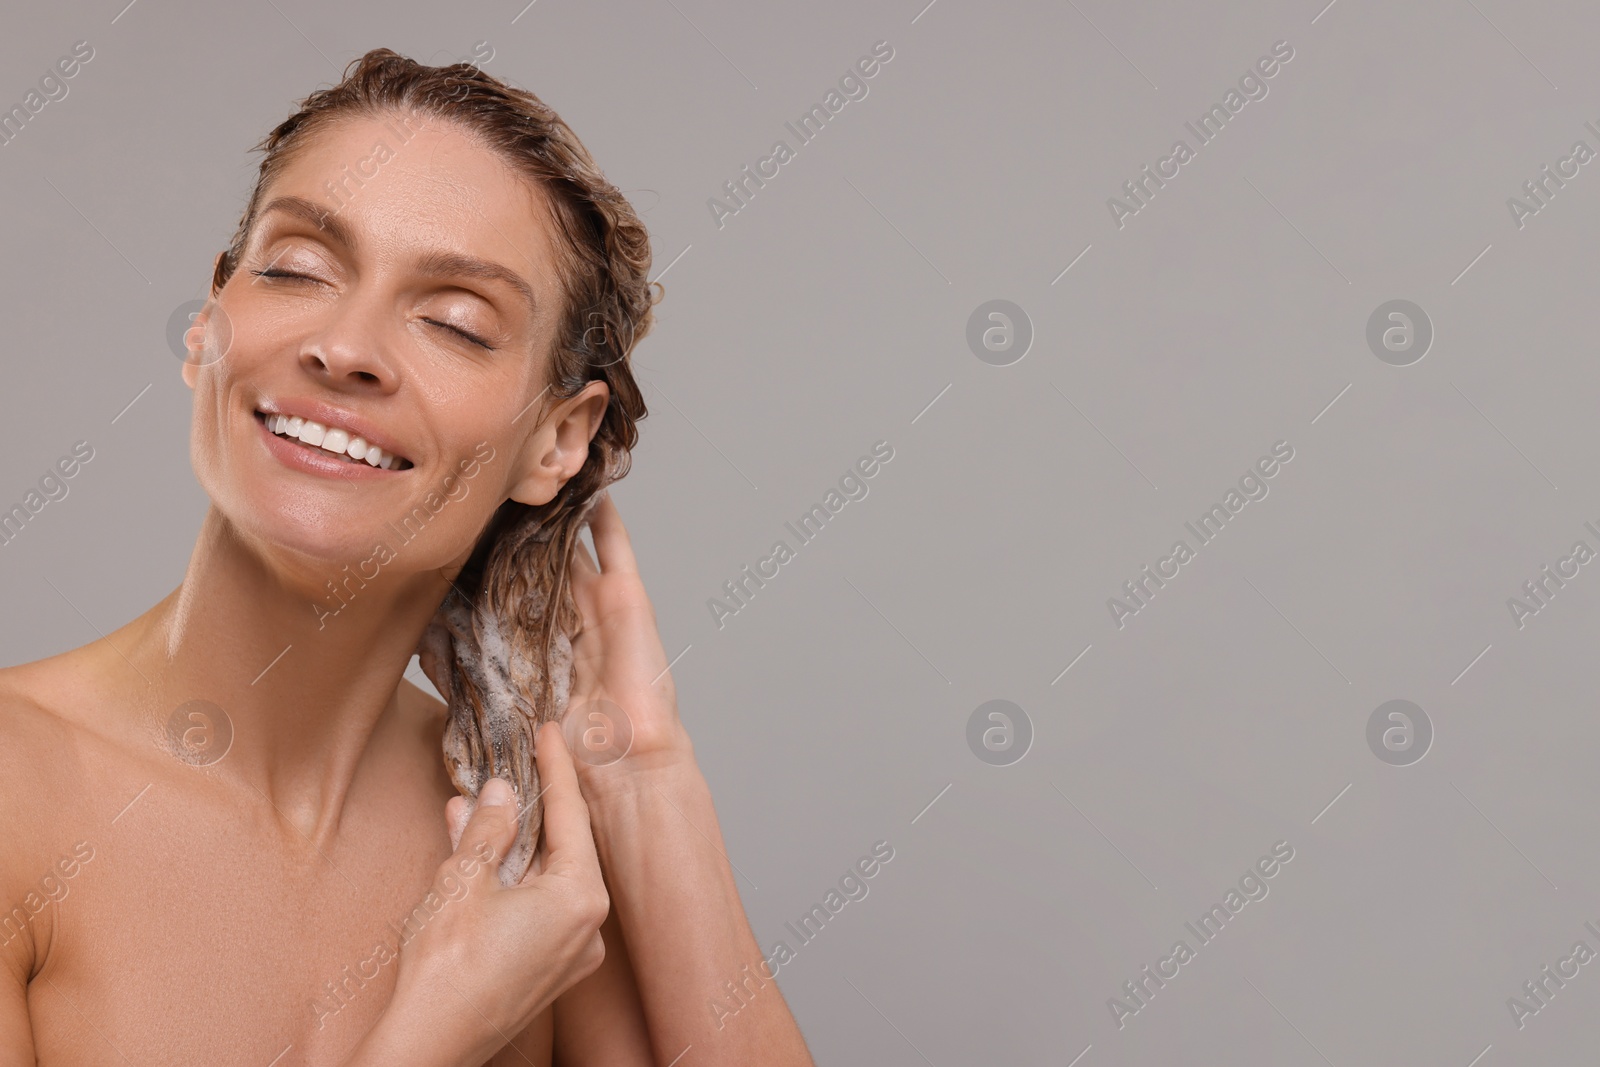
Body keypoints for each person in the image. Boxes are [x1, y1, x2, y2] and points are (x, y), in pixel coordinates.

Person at [0, 48, 814, 1066]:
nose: (345, 345)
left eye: (456, 322)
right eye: (295, 268)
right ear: (209, 324)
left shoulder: (534, 858)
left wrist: (647, 781)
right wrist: (434, 1035)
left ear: (555, 438)